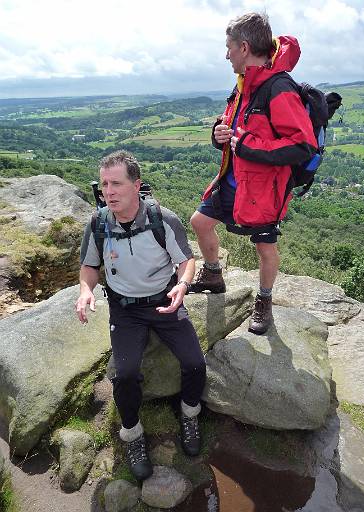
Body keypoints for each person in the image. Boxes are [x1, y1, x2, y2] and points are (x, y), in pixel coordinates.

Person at [76, 150, 206, 481]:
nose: (109, 192)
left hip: (164, 301)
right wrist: (86, 290)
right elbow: (90, 266)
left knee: (194, 363)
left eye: (117, 183)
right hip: (125, 309)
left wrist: (183, 285)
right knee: (125, 374)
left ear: (137, 185)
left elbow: (186, 260)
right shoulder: (98, 224)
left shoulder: (163, 219)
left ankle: (189, 414)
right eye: (105, 184)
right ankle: (132, 436)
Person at [190, 12, 317, 334]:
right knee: (200, 222)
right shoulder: (244, 86)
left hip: (264, 189)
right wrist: (218, 132)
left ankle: (264, 300)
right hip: (233, 179)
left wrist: (245, 144)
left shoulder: (278, 88)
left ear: (244, 47)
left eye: (229, 47)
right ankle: (214, 274)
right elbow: (230, 125)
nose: (226, 54)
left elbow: (302, 145)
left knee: (264, 247)